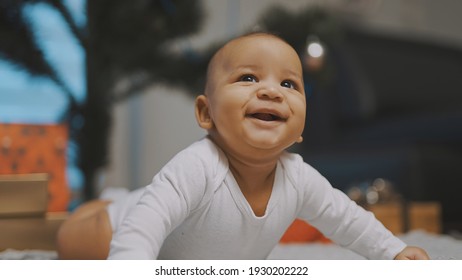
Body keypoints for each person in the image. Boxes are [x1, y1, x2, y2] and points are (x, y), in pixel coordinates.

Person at [57, 32, 429, 260]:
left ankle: (123, 196)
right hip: (117, 225)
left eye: (289, 85)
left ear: (301, 127)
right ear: (206, 113)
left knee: (155, 201)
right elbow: (142, 229)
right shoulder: (198, 165)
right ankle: (109, 202)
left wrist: (393, 251)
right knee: (74, 244)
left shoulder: (299, 178)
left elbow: (347, 219)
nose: (270, 90)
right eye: (248, 77)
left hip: (173, 216)